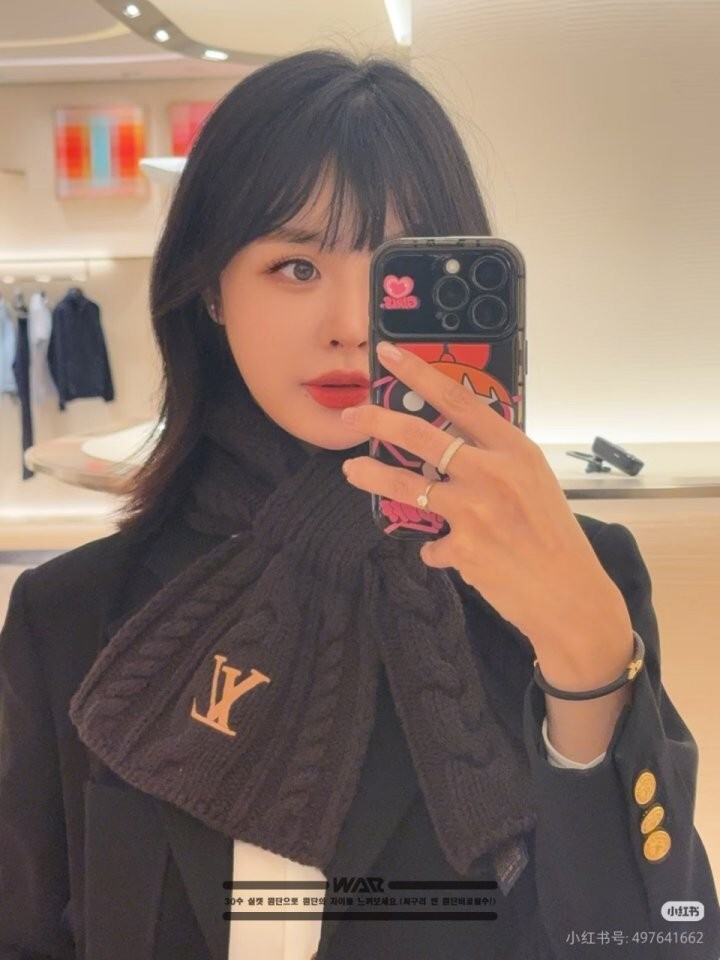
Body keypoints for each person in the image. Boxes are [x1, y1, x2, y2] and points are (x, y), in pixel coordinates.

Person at [0, 48, 717, 960]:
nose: (352, 324)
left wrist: (588, 661)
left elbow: (655, 942)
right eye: (296, 267)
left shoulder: (578, 578)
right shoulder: (75, 616)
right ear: (211, 289)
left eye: (393, 270)